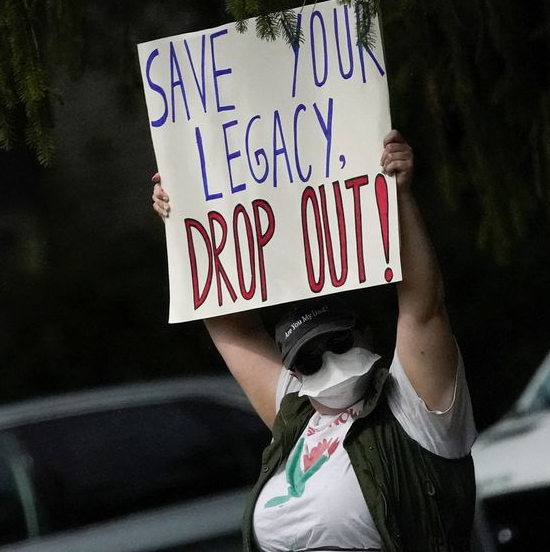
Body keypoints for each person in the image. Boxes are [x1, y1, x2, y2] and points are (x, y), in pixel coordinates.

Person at [150, 130, 477, 552]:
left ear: (364, 334)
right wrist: (185, 219)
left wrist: (400, 198)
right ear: (294, 372)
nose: (328, 362)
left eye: (338, 343)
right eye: (309, 359)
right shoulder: (296, 413)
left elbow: (423, 308)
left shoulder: (414, 409)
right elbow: (231, 326)